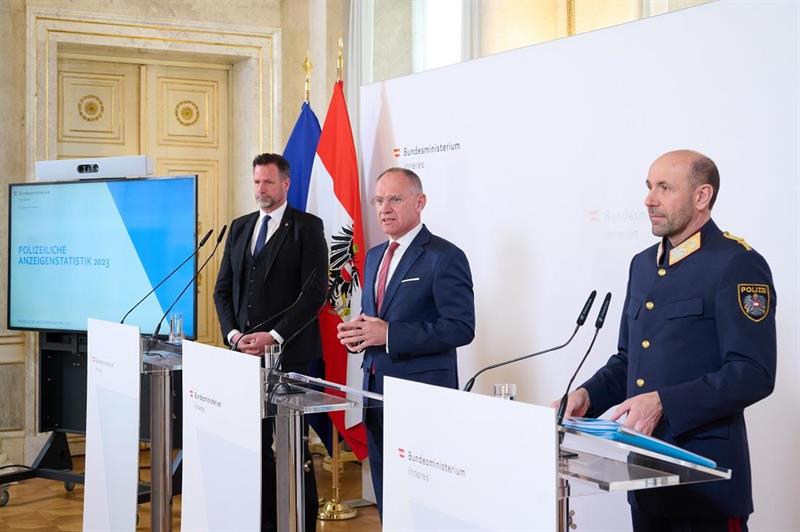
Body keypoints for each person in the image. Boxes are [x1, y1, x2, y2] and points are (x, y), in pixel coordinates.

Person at [560, 150, 776, 532]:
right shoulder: (642, 264)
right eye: (648, 186)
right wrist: (586, 396)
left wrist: (664, 403)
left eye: (664, 188)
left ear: (702, 196)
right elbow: (629, 360)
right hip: (644, 481)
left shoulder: (736, 263)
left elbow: (753, 372)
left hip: (706, 485)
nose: (649, 199)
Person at [337, 167, 476, 518]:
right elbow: (379, 322)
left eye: (395, 199)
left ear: (420, 202)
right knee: (389, 498)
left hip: (422, 398)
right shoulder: (372, 256)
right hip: (376, 394)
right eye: (379, 200)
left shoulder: (444, 257)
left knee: (424, 503)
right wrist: (359, 336)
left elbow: (461, 328)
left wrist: (390, 335)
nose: (384, 208)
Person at [214, 153, 328, 532]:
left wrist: (274, 337)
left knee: (293, 447)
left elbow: (313, 294)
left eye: (268, 182)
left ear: (285, 184)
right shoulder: (241, 226)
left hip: (290, 355)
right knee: (253, 444)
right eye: (256, 182)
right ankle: (261, 521)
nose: (260, 189)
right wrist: (234, 335)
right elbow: (223, 290)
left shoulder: (307, 227)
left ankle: (300, 521)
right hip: (242, 356)